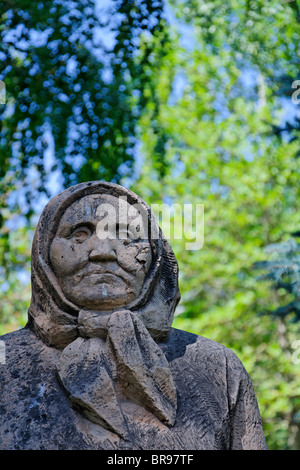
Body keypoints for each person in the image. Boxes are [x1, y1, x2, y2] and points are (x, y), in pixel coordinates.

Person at [0, 181, 267, 450]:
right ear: (44, 251)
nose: (102, 252)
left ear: (156, 255)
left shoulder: (217, 367)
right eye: (79, 234)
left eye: (126, 234)